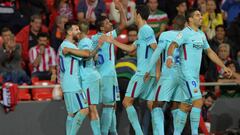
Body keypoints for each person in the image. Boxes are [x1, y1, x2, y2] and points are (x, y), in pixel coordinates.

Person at [166, 9, 232, 135]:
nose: (201, 17)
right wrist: (169, 57)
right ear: (190, 19)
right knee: (198, 101)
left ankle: (177, 133)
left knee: (185, 105)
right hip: (185, 74)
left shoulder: (201, 34)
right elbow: (173, 45)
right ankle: (195, 133)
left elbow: (210, 52)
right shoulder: (185, 32)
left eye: (201, 15)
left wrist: (223, 66)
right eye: (197, 15)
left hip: (194, 76)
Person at [104, 5, 160, 135]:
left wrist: (157, 72)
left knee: (126, 101)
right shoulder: (142, 32)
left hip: (142, 73)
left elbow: (157, 49)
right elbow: (130, 49)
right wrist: (112, 40)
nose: (133, 16)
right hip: (147, 73)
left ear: (138, 14)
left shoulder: (145, 30)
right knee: (151, 105)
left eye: (134, 13)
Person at [143, 15, 187, 135]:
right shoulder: (187, 36)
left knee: (156, 103)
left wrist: (148, 69)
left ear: (172, 24)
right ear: (184, 25)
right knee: (176, 105)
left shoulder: (166, 35)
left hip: (168, 74)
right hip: (182, 75)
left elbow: (157, 52)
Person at [91, 1, 126, 134]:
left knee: (112, 105)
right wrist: (122, 10)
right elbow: (123, 24)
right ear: (101, 28)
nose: (110, 24)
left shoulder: (93, 38)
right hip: (108, 75)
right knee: (109, 106)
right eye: (107, 23)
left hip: (101, 74)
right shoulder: (107, 36)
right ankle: (104, 132)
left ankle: (114, 132)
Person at [62, 22, 102, 135]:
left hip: (88, 78)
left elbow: (86, 55)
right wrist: (96, 50)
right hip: (82, 79)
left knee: (89, 109)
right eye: (76, 29)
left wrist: (96, 50)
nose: (78, 32)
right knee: (77, 111)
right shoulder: (77, 44)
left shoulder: (83, 43)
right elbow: (90, 56)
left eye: (79, 29)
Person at [58, 22, 90, 135]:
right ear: (69, 32)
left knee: (71, 113)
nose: (79, 32)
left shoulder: (64, 46)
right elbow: (86, 54)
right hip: (72, 83)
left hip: (67, 83)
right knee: (84, 109)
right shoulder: (68, 46)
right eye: (76, 29)